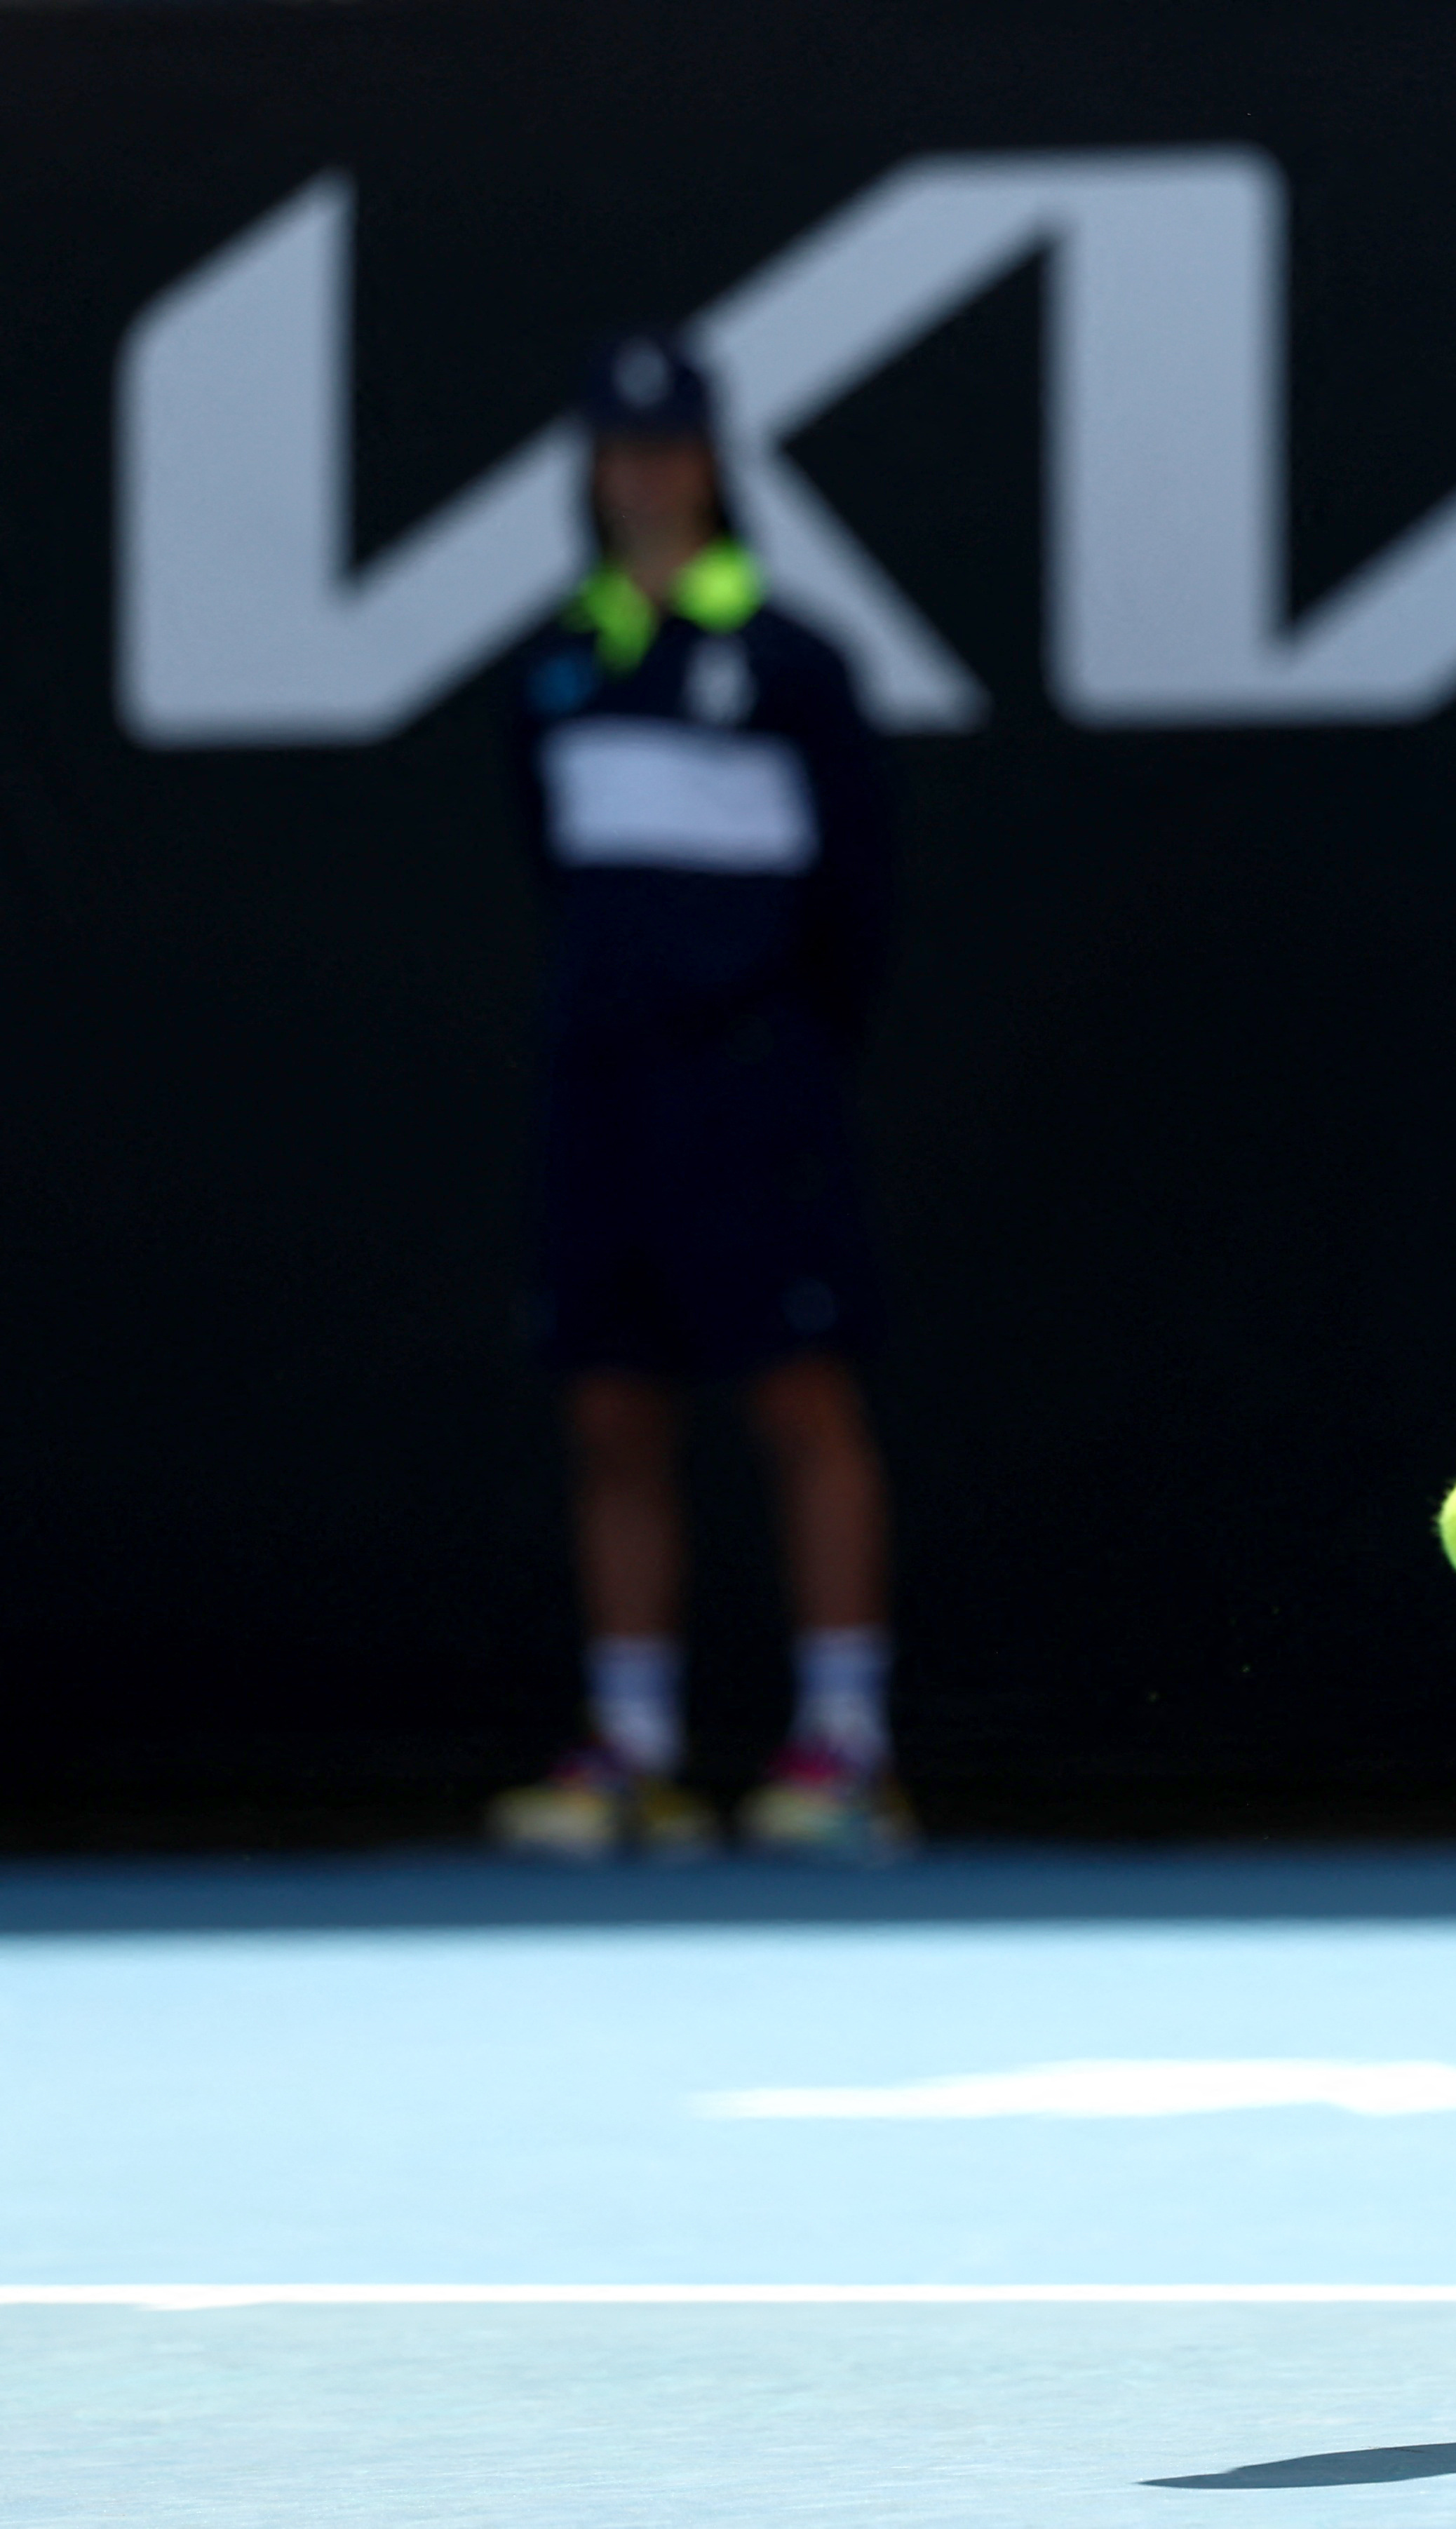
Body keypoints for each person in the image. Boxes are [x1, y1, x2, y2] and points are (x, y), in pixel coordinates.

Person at [484, 332, 912, 1864]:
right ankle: (637, 1746)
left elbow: (858, 900)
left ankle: (845, 1741)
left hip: (755, 1093)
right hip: (604, 1093)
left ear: (714, 467)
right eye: (621, 451)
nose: (647, 476)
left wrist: (766, 1040)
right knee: (610, 1407)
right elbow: (557, 874)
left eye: (670, 450)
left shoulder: (794, 664)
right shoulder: (555, 667)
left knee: (801, 1396)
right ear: (594, 472)